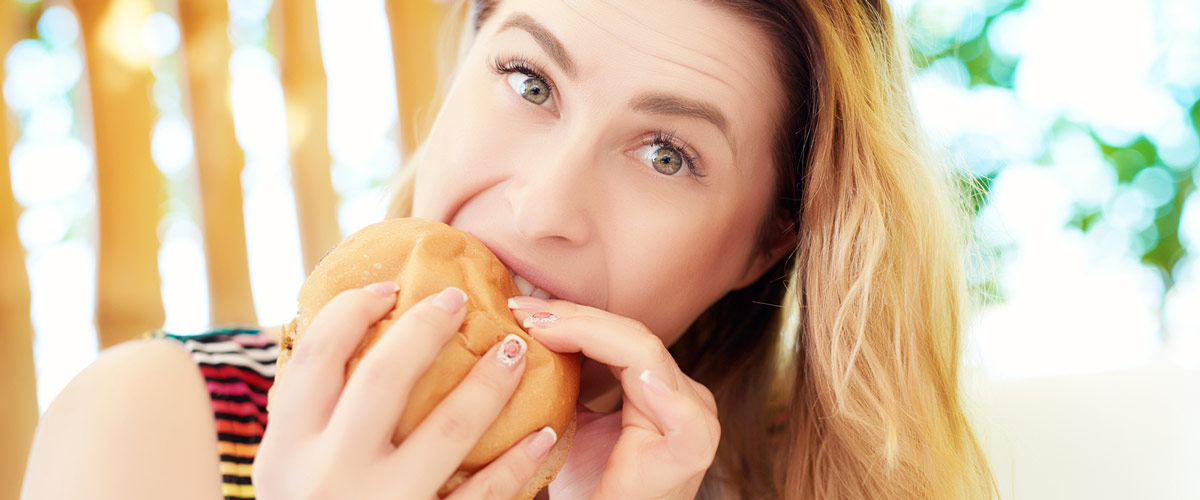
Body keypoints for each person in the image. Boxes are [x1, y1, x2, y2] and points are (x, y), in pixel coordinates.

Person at [21, 0, 998, 498]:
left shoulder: (795, 479)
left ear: (765, 242)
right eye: (529, 80)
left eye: (667, 153)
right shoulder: (156, 422)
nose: (544, 207)